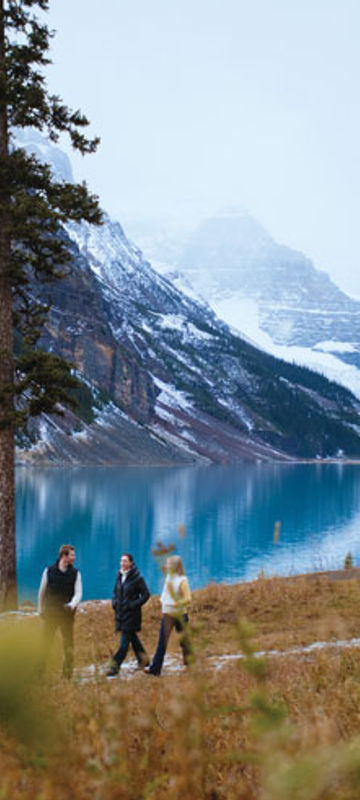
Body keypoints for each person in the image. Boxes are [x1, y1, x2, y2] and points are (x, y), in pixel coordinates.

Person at [38, 544, 82, 678]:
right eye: (72, 555)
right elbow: (42, 591)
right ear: (64, 556)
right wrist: (40, 609)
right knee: (45, 643)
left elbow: (78, 593)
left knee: (68, 643)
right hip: (51, 613)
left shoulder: (76, 573)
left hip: (66, 614)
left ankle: (67, 674)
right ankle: (39, 672)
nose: (74, 557)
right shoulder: (48, 571)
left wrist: (72, 604)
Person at [145, 554, 192, 676]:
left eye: (170, 564)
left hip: (180, 614)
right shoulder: (168, 578)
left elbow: (188, 598)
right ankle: (155, 669)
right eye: (167, 564)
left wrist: (178, 603)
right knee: (162, 642)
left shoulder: (183, 580)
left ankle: (190, 665)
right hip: (168, 614)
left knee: (184, 642)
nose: (167, 566)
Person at [107, 553, 151, 676]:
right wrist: (114, 603)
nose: (122, 563)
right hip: (121, 614)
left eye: (125, 561)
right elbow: (116, 591)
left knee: (124, 645)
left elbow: (146, 595)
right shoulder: (119, 575)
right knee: (133, 639)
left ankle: (113, 667)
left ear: (131, 563)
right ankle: (144, 660)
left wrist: (133, 605)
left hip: (132, 615)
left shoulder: (137, 578)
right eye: (121, 561)